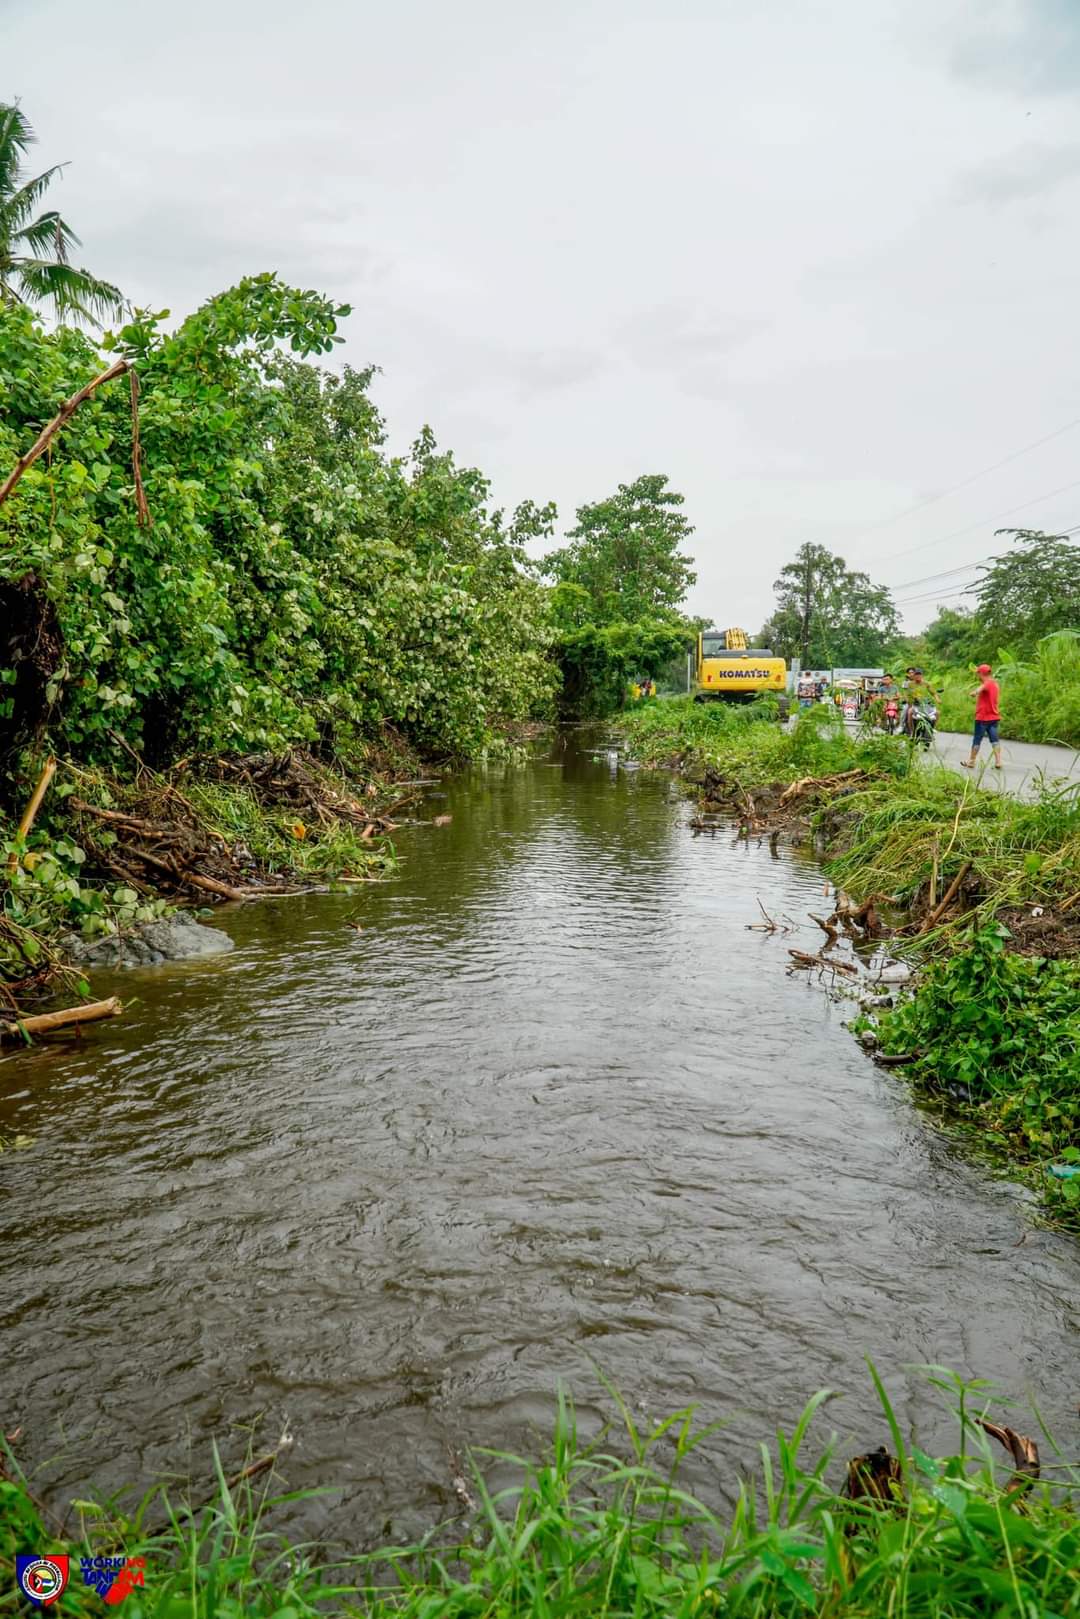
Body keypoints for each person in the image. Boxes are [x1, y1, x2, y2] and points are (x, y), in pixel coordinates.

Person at [962, 663, 1002, 769]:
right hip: (994, 717)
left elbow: (979, 689)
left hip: (983, 717)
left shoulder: (987, 683)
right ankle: (998, 761)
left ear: (981, 673)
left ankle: (971, 761)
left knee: (977, 739)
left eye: (978, 673)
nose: (977, 676)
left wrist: (974, 693)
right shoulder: (995, 684)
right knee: (994, 739)